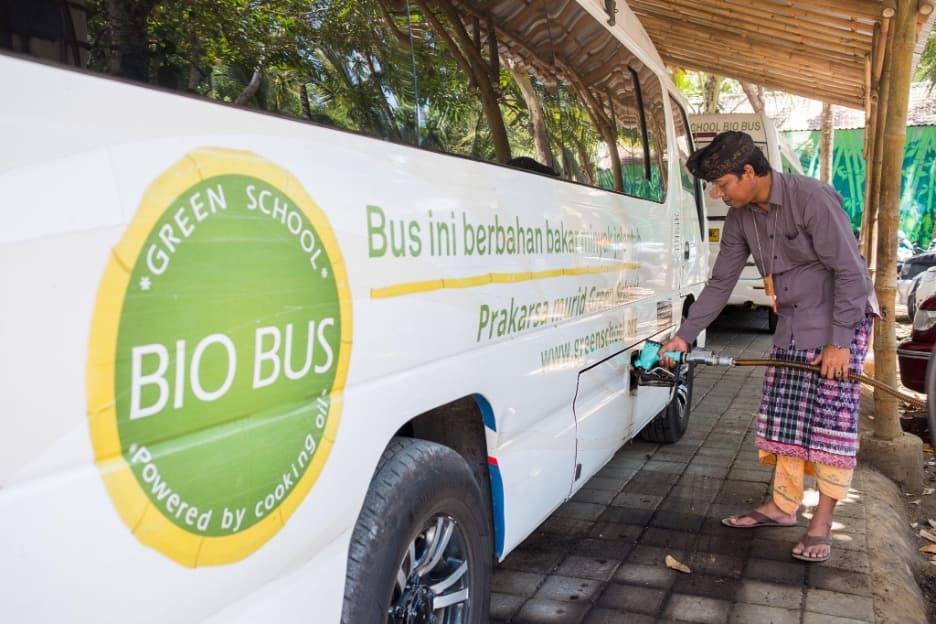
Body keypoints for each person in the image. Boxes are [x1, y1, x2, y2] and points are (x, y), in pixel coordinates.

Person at [659, 131, 879, 563]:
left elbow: (852, 274)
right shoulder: (743, 218)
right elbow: (721, 283)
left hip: (841, 320)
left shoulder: (812, 198)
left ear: (748, 171)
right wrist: (685, 335)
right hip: (794, 320)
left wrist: (840, 345)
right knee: (785, 421)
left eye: (722, 185)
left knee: (829, 427)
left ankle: (821, 524)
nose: (719, 195)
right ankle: (782, 507)